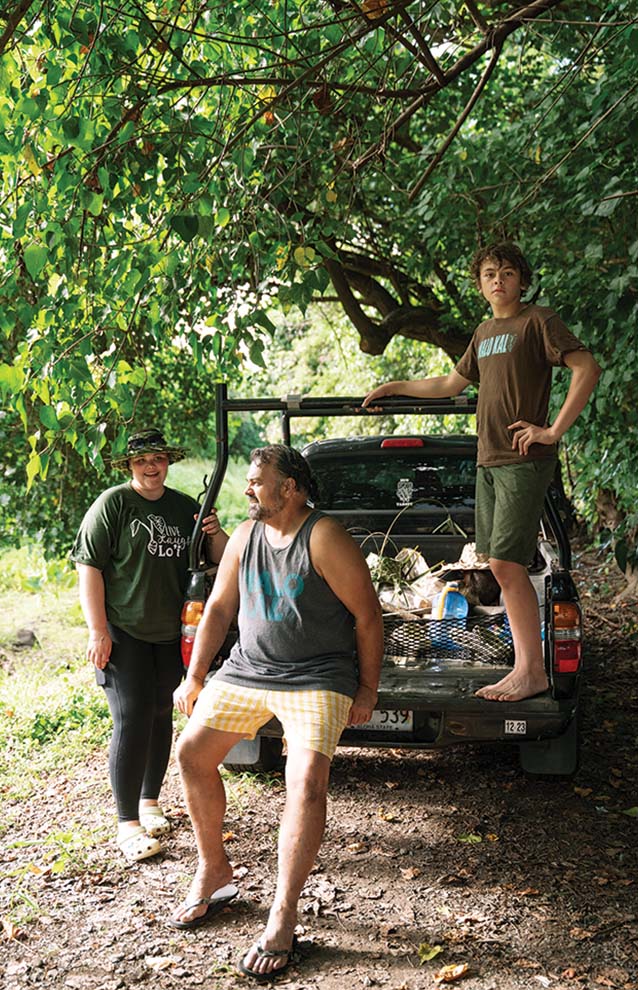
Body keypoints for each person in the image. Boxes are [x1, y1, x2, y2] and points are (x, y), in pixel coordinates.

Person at [170, 444, 383, 981]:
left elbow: (367, 616)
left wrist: (367, 689)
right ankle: (215, 870)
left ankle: (283, 914)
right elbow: (219, 608)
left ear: (289, 487)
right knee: (192, 753)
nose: (247, 489)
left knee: (306, 779)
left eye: (256, 481)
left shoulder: (325, 537)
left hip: (317, 676)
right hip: (248, 670)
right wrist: (195, 675)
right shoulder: (244, 537)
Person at [363, 241, 601, 703]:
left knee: (509, 563)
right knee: (497, 564)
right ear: (480, 285)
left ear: (522, 280)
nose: (499, 280)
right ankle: (526, 666)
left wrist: (551, 430)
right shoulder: (484, 330)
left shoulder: (539, 321)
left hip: (522, 457)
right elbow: (450, 384)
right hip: (488, 458)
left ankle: (532, 670)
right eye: (490, 273)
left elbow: (586, 368)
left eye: (508, 272)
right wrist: (393, 386)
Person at [71, 428, 228, 862]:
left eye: (157, 458)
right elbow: (90, 568)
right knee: (132, 717)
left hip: (171, 634)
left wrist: (213, 530)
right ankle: (127, 825)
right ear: (130, 466)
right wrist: (97, 630)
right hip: (124, 630)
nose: (151, 466)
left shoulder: (183, 507)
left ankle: (150, 802)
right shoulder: (113, 504)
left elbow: (223, 557)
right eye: (142, 461)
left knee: (161, 715)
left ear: (168, 461)